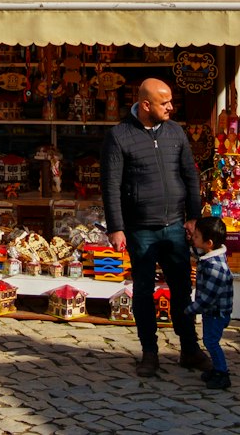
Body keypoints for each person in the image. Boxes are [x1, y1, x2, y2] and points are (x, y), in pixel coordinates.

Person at [101, 77, 209, 378]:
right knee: (144, 292)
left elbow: (190, 174)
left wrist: (193, 216)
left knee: (181, 290)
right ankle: (149, 353)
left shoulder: (175, 132)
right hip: (139, 229)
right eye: (165, 103)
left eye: (171, 101)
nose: (171, 107)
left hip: (174, 225)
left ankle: (190, 349)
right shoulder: (119, 136)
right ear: (146, 105)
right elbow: (110, 185)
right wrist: (116, 227)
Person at [186, 215, 233, 390]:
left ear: (209, 243)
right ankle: (217, 369)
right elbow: (197, 251)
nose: (193, 239)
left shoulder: (215, 267)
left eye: (197, 237)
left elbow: (209, 298)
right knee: (210, 340)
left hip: (216, 312)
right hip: (211, 312)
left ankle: (222, 372)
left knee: (211, 342)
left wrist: (191, 309)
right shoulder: (211, 256)